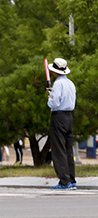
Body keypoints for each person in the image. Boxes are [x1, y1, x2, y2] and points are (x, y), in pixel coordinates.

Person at [46, 58, 77, 190]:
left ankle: (64, 181)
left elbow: (55, 103)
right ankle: (71, 179)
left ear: (54, 71)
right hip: (69, 116)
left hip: (58, 117)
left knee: (58, 149)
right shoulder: (70, 83)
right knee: (68, 149)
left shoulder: (58, 84)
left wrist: (49, 98)